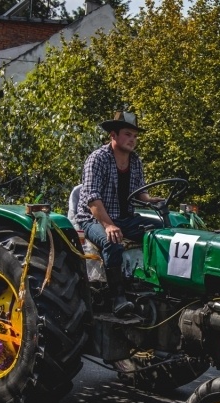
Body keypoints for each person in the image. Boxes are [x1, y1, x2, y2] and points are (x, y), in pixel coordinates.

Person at [75, 111, 163, 315]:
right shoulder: (97, 159)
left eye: (134, 136)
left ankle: (155, 289)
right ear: (113, 135)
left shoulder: (135, 161)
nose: (132, 140)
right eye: (127, 134)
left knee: (160, 235)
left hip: (125, 218)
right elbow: (92, 199)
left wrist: (149, 200)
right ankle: (118, 298)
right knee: (112, 241)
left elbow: (138, 191)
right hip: (93, 219)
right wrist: (108, 225)